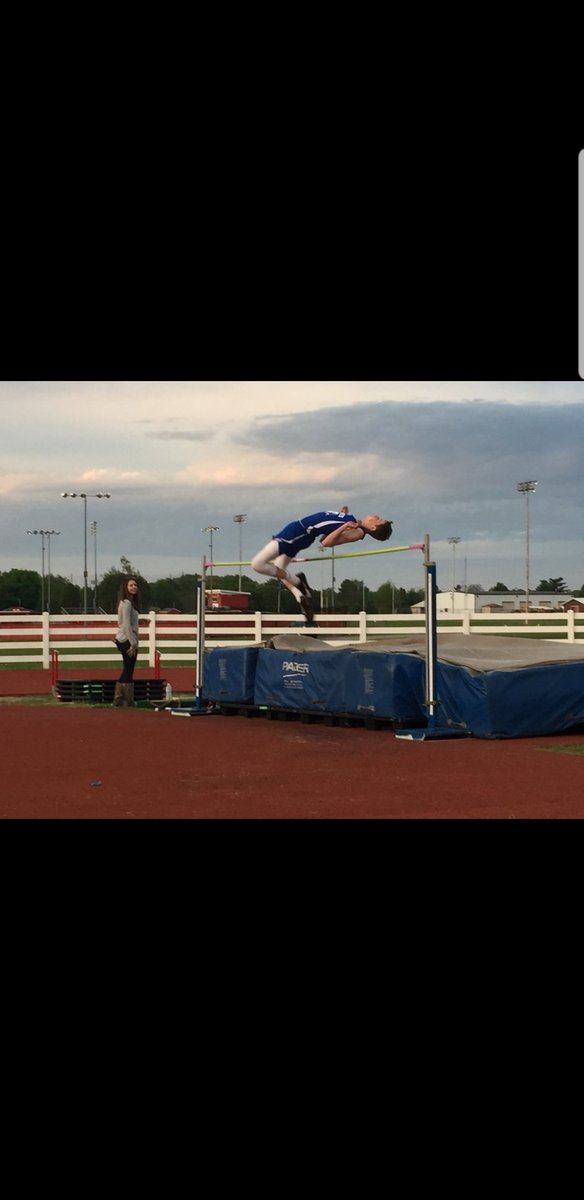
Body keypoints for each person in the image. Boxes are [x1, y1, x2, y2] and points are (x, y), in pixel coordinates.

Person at [251, 507, 393, 624]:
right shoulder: (355, 523)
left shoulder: (357, 531)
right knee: (278, 569)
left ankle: (298, 582)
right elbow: (326, 534)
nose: (377, 515)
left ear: (373, 527)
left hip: (298, 532)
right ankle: (300, 596)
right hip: (302, 533)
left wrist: (344, 525)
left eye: (379, 519)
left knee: (257, 564)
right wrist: (343, 516)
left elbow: (326, 542)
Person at [113, 578, 141, 707]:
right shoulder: (126, 603)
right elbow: (125, 625)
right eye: (131, 585)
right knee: (128, 669)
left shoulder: (127, 603)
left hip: (126, 638)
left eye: (135, 585)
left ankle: (123, 699)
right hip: (127, 640)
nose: (134, 587)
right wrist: (133, 643)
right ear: (125, 587)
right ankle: (123, 699)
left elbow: (129, 621)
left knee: (128, 668)